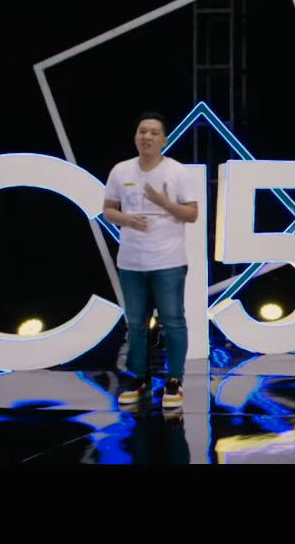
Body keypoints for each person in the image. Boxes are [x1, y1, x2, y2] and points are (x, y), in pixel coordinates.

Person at [103, 112, 199, 409]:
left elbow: (192, 214)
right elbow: (108, 210)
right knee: (135, 324)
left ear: (164, 140)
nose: (147, 136)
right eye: (142, 131)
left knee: (173, 320)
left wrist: (164, 203)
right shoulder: (121, 170)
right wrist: (127, 219)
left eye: (154, 132)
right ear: (136, 137)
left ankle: (174, 382)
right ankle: (140, 379)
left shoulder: (177, 171)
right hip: (131, 261)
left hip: (168, 259)